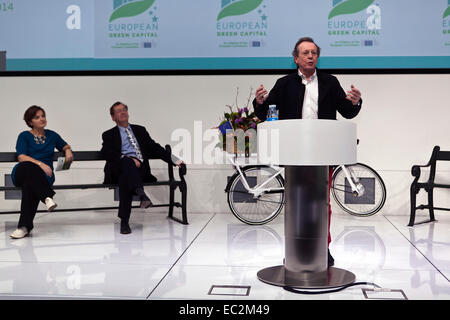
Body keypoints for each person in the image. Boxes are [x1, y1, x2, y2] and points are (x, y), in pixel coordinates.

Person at [253, 37, 362, 267]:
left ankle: (324, 247)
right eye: (305, 53)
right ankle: (295, 248)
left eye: (314, 52)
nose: (310, 56)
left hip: (323, 152)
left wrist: (354, 102)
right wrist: (259, 102)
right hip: (294, 152)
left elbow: (347, 112)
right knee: (296, 202)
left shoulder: (330, 82)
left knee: (322, 205)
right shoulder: (284, 83)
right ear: (296, 58)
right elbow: (265, 113)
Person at [101, 102, 184, 235]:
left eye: (124, 110)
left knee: (126, 179)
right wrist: (128, 158)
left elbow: (155, 148)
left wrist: (175, 160)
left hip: (140, 171)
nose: (122, 112)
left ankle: (125, 221)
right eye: (118, 111)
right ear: (113, 117)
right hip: (119, 168)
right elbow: (106, 153)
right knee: (127, 165)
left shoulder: (140, 130)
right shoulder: (108, 134)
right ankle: (141, 194)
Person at [10, 106, 73, 239]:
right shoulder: (24, 136)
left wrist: (67, 150)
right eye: (37, 117)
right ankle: (47, 197)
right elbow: (21, 157)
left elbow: (65, 145)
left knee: (30, 186)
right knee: (29, 167)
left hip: (44, 177)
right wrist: (40, 164)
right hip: (22, 172)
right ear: (30, 121)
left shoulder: (52, 135)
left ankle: (24, 227)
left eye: (43, 115)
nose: (42, 119)